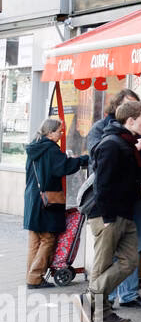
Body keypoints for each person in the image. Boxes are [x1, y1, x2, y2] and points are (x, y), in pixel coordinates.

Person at [80, 100, 141, 322]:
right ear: (130, 121)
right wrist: (109, 219)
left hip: (125, 214)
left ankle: (90, 299)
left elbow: (134, 172)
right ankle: (101, 311)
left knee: (130, 262)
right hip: (108, 216)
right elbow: (103, 185)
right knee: (102, 266)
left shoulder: (128, 143)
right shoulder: (112, 144)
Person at [24, 119, 89, 289]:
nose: (61, 134)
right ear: (50, 132)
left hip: (33, 197)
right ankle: (36, 278)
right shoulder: (51, 149)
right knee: (48, 238)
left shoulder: (35, 146)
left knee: (35, 239)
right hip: (47, 200)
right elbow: (63, 167)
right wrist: (82, 160)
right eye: (59, 131)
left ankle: (31, 276)